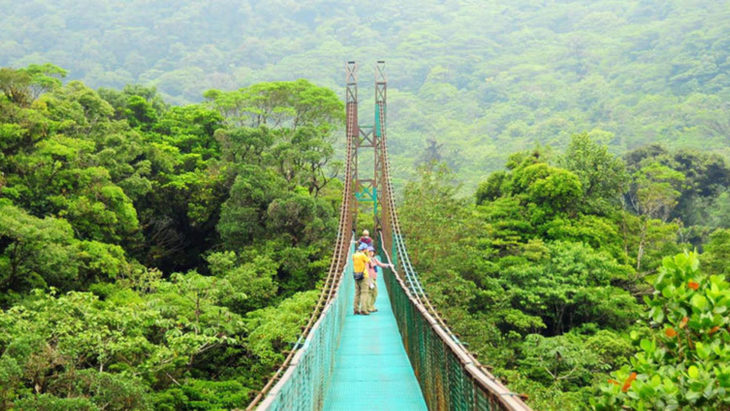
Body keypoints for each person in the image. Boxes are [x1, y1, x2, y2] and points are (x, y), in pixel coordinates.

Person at [364, 246, 391, 314]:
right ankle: (369, 307)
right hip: (369, 278)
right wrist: (368, 280)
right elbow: (366, 270)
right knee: (371, 292)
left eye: (372, 251)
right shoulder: (366, 260)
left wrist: (389, 265)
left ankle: (371, 306)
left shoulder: (374, 259)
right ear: (367, 252)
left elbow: (381, 264)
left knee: (374, 293)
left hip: (374, 278)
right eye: (370, 251)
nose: (371, 253)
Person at [352, 242, 370, 315]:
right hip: (363, 276)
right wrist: (367, 254)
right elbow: (369, 262)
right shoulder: (363, 255)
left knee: (357, 293)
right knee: (364, 293)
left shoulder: (354, 255)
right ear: (364, 249)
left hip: (356, 275)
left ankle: (356, 309)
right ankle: (363, 309)